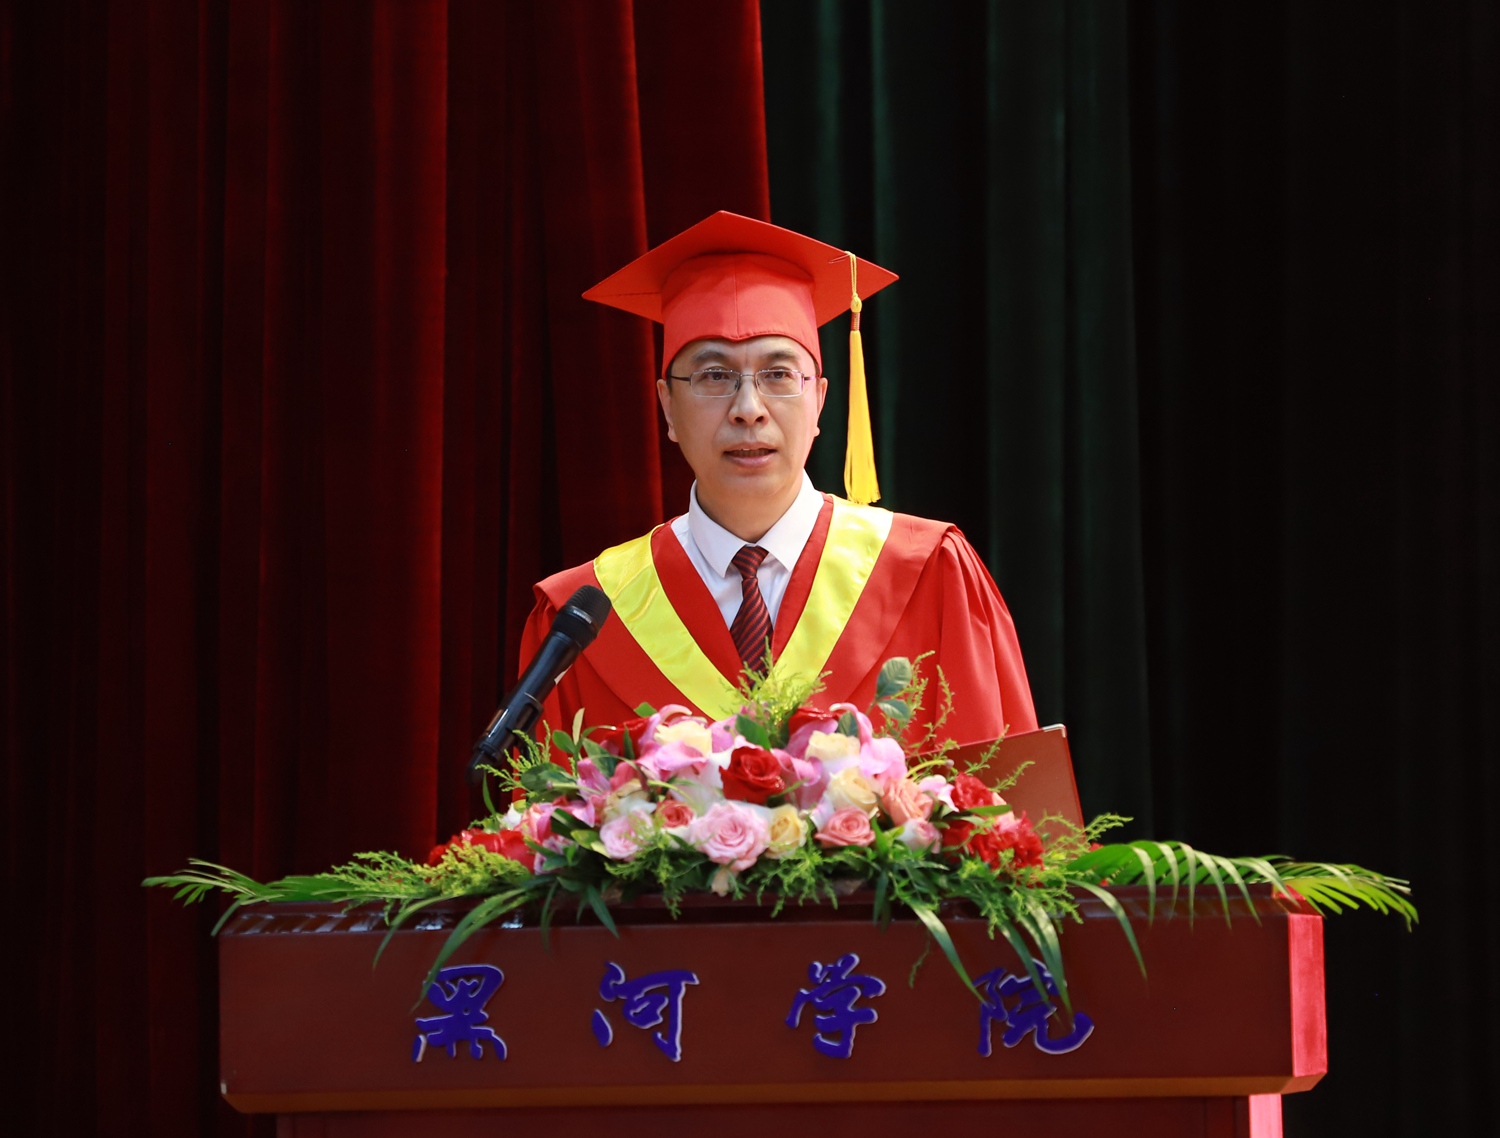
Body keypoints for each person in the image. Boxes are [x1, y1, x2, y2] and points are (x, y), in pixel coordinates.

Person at [520, 212, 1036, 746]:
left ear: (820, 400)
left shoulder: (928, 576)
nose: (748, 408)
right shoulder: (585, 622)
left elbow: (1003, 791)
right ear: (667, 406)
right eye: (714, 375)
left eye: (778, 374)